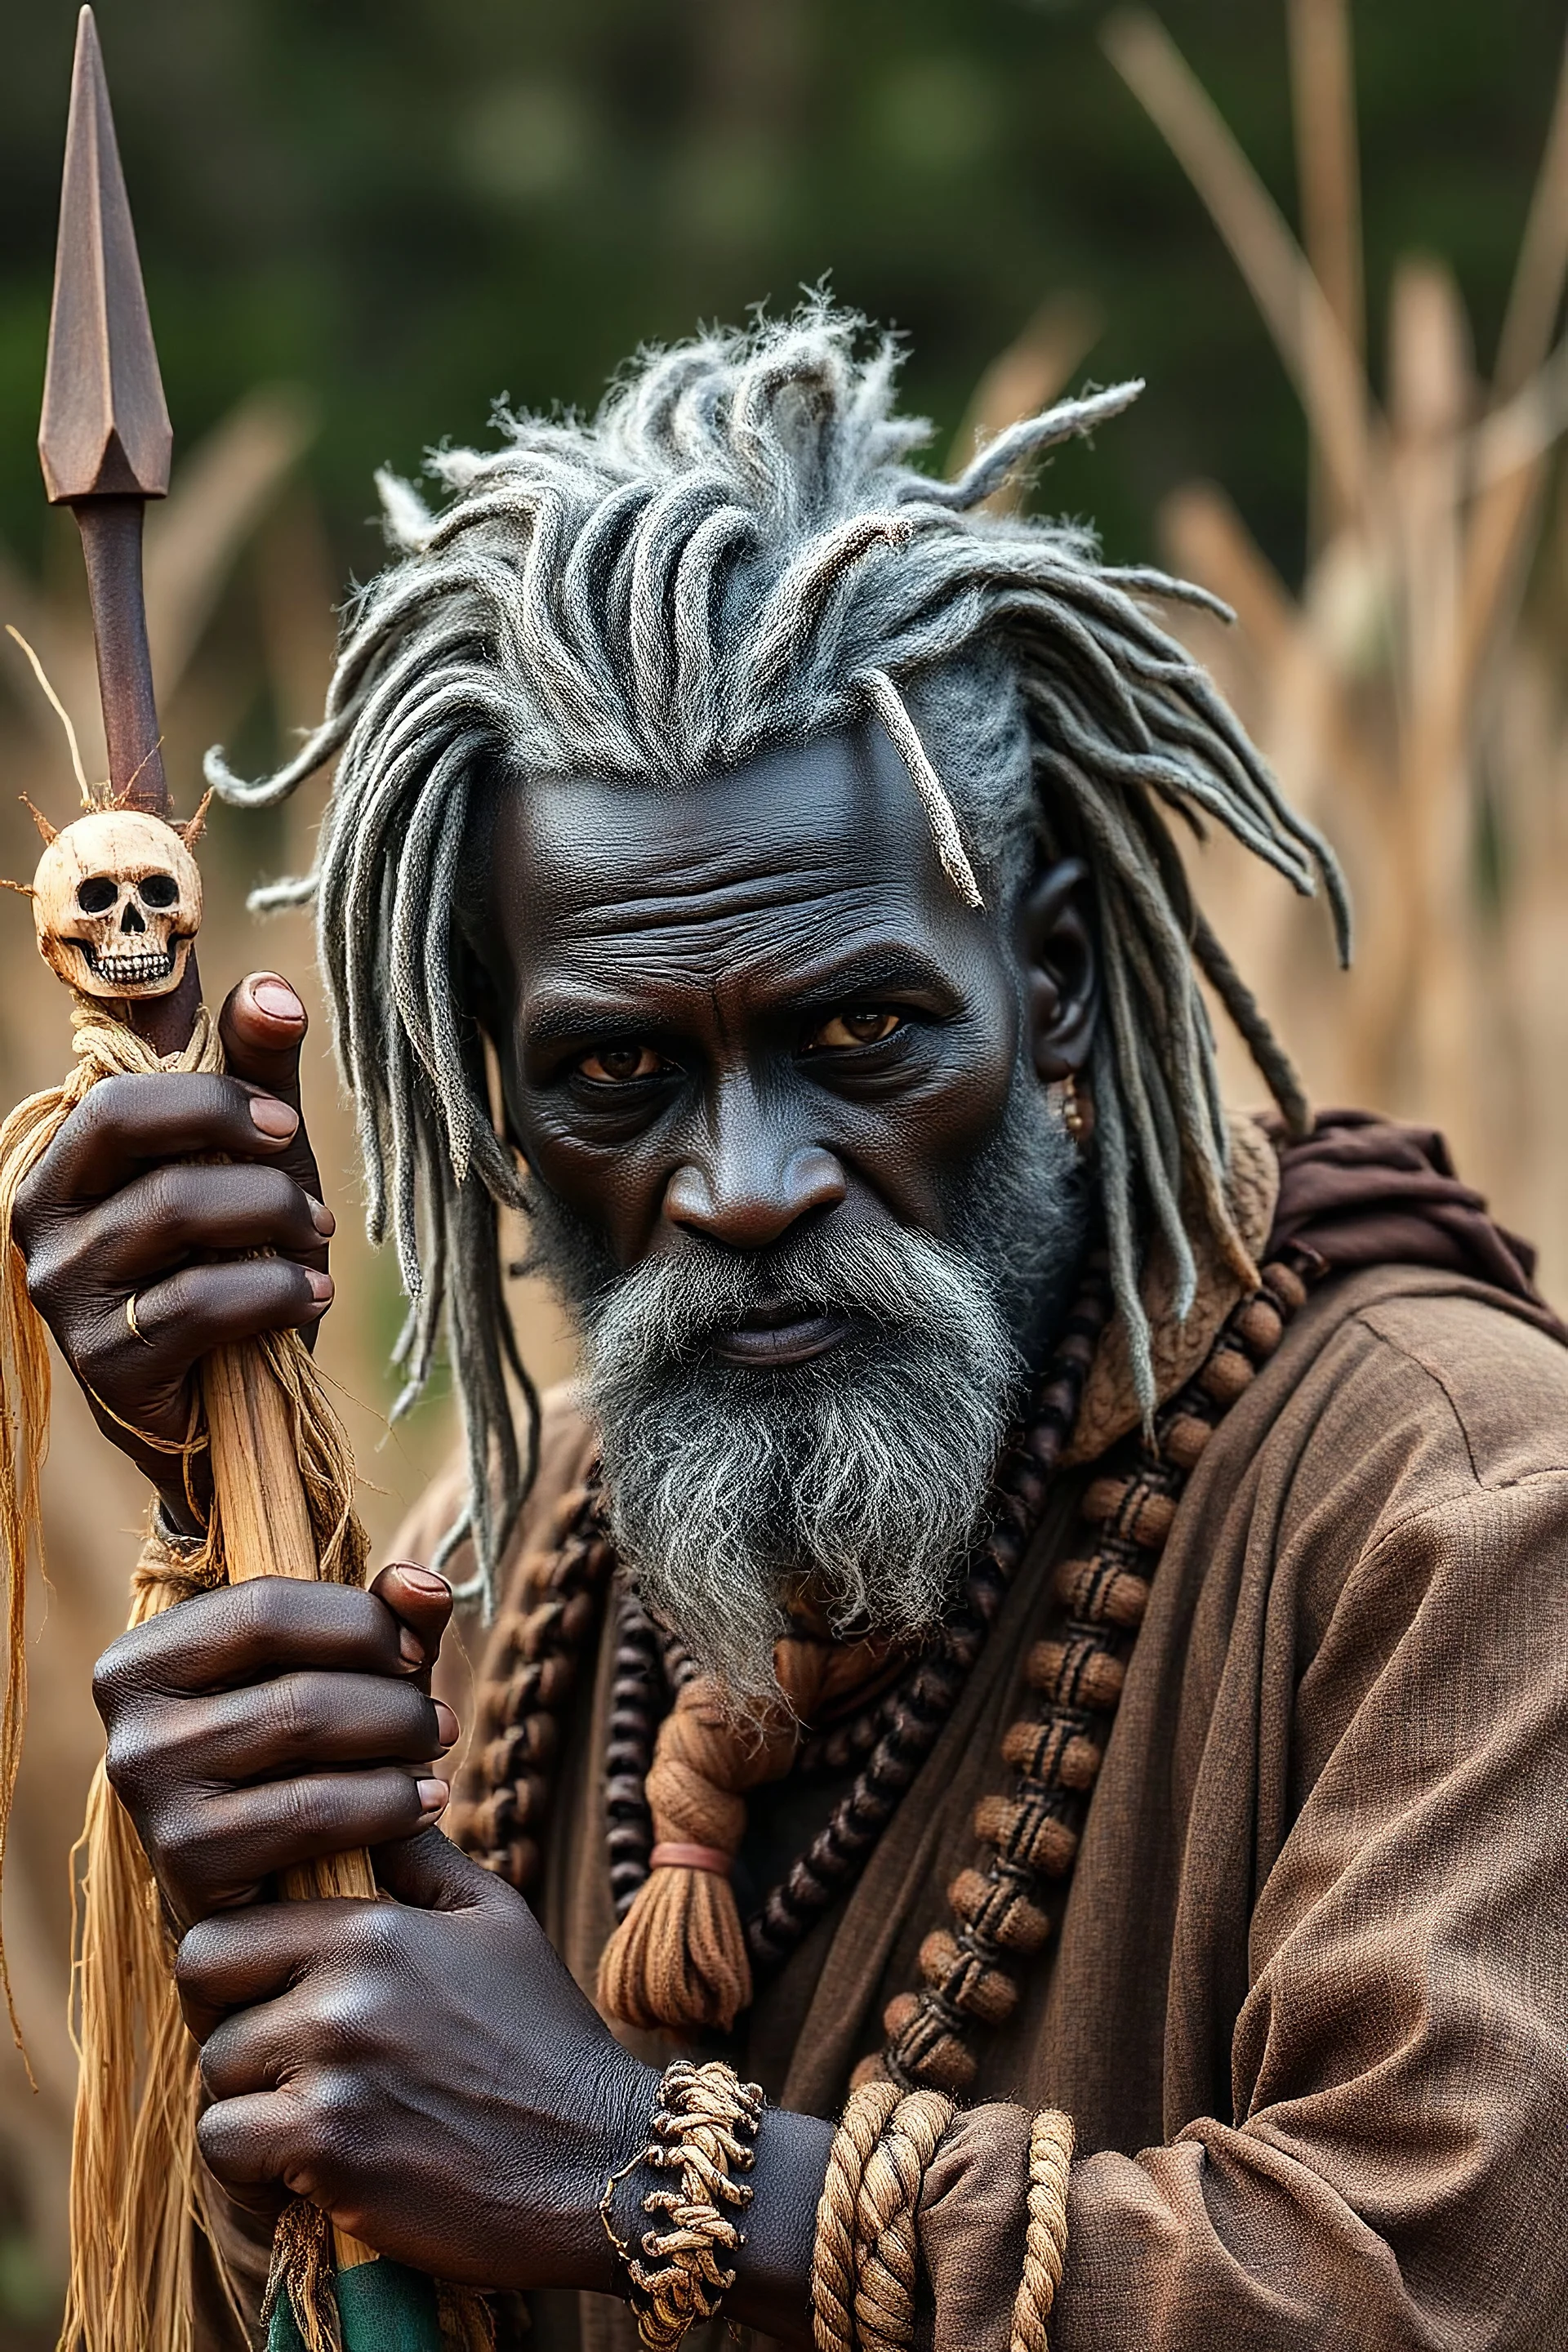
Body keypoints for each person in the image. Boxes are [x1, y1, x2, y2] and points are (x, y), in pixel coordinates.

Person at [16, 308, 1568, 2351]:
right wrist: (286, 1923)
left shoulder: (1456, 1511)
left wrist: (631, 2164)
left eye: (861, 1035)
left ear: (1060, 985)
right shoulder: (547, 1553)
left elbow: (1440, 2278)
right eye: (617, 1078)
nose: (743, 1186)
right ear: (497, 1096)